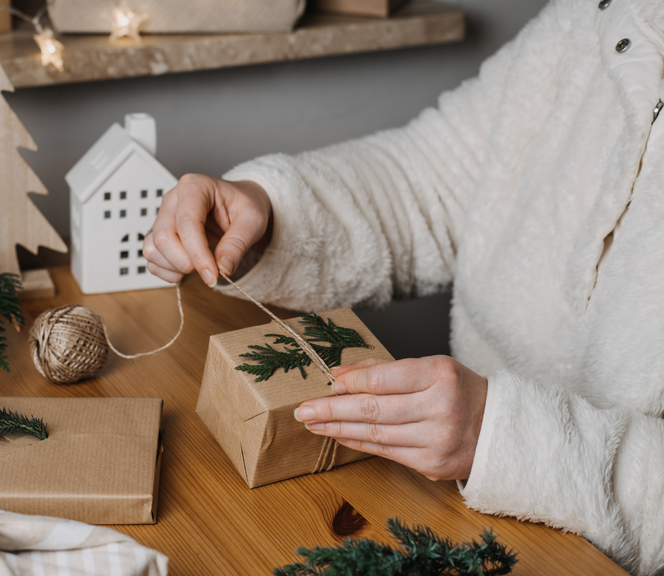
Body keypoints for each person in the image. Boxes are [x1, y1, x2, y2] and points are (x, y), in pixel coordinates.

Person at [143, 0, 664, 573]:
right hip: (448, 515)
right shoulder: (595, 15)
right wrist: (268, 213)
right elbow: (434, 179)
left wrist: (505, 438)